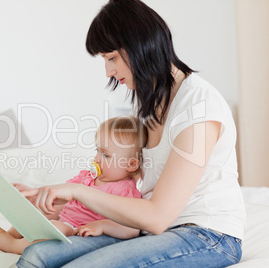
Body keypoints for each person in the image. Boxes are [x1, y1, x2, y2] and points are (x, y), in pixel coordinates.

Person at [15, 0, 246, 267]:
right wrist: (58, 200)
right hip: (149, 231)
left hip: (207, 235)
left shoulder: (199, 106)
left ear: (140, 45)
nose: (108, 72)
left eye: (111, 58)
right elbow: (129, 187)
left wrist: (76, 190)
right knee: (37, 255)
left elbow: (158, 216)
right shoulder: (149, 104)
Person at [0, 116, 147, 255]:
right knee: (38, 212)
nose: (96, 158)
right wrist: (37, 194)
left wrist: (102, 226)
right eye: (97, 150)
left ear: (131, 165)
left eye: (105, 154)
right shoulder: (87, 176)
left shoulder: (126, 190)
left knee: (56, 229)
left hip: (75, 230)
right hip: (65, 218)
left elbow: (131, 228)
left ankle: (14, 246)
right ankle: (12, 234)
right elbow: (62, 192)